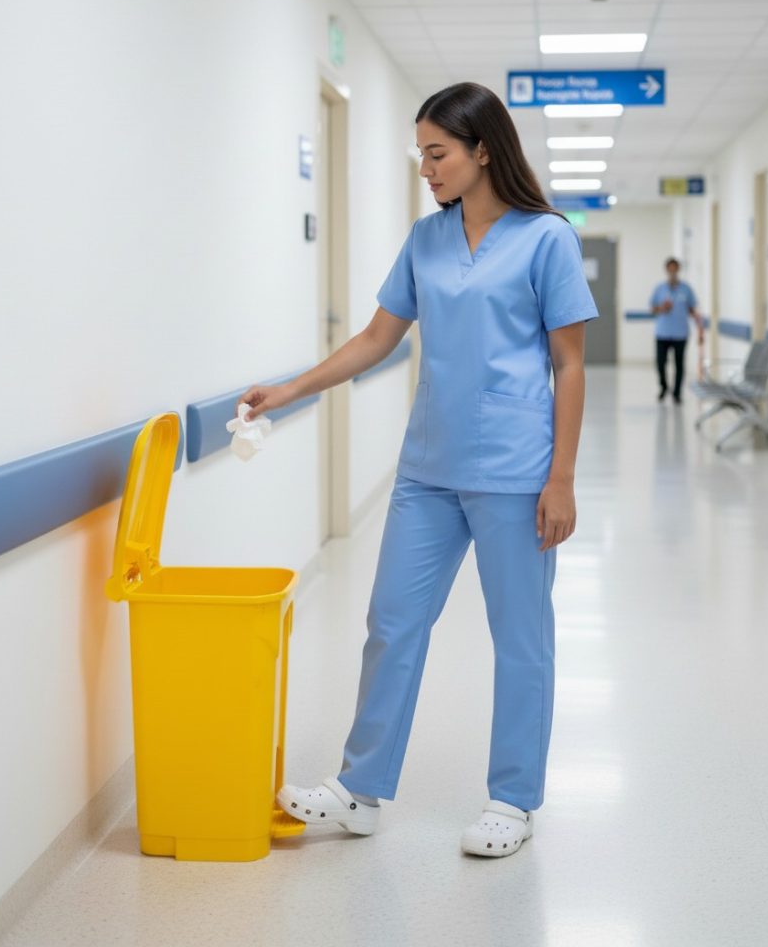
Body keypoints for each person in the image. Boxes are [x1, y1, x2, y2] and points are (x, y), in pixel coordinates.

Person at [239, 82, 598, 859]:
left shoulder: (547, 240)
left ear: (482, 151)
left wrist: (561, 478)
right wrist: (292, 389)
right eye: (421, 154)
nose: (426, 168)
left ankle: (513, 798)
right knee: (392, 624)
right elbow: (377, 338)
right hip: (429, 469)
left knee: (521, 638)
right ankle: (359, 790)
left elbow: (570, 364)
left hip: (516, 470)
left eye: (438, 153)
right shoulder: (426, 239)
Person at [650, 257, 704, 404]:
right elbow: (652, 309)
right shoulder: (659, 289)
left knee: (679, 365)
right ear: (666, 270)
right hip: (662, 333)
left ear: (678, 270)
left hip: (681, 334)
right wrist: (662, 308)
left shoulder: (686, 289)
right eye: (670, 269)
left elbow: (693, 310)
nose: (672, 272)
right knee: (660, 363)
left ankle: (677, 393)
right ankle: (664, 387)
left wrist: (700, 330)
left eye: (675, 269)